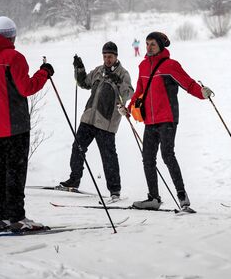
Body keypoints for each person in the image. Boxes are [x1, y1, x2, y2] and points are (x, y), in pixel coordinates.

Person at [0, 16, 54, 232]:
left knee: (0, 171)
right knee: (16, 172)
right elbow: (26, 88)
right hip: (17, 123)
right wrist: (44, 73)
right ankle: (17, 216)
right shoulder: (14, 57)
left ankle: (2, 216)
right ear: (12, 36)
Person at [118, 31, 213, 211]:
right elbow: (139, 92)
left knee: (167, 155)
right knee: (147, 159)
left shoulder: (170, 65)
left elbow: (188, 83)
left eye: (153, 44)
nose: (149, 47)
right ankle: (153, 198)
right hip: (150, 121)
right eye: (147, 44)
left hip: (167, 118)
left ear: (161, 45)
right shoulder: (143, 66)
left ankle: (182, 196)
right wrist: (128, 109)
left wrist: (202, 93)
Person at [58, 42, 134, 200]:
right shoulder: (98, 71)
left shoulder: (123, 74)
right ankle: (74, 179)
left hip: (106, 122)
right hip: (89, 117)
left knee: (108, 156)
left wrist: (117, 82)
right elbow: (84, 83)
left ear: (116, 56)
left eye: (110, 56)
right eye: (105, 56)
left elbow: (128, 94)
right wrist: (79, 69)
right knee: (77, 147)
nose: (107, 59)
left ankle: (115, 190)